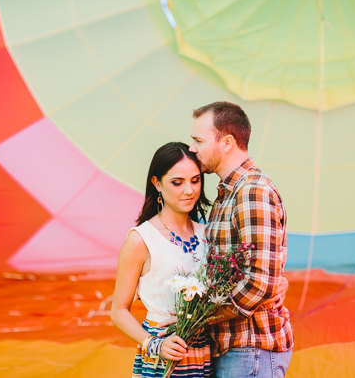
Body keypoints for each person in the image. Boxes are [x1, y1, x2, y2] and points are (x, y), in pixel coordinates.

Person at [188, 101, 294, 378]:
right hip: (234, 349)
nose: (192, 149)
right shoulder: (229, 192)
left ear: (227, 142)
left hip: (251, 348)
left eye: (198, 140)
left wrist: (203, 316)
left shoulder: (251, 192)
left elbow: (260, 282)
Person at [111, 142, 214, 377]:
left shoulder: (207, 234)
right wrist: (155, 345)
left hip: (203, 352)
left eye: (195, 180)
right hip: (162, 355)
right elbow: (118, 310)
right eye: (177, 183)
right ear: (156, 183)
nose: (189, 190)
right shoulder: (141, 240)